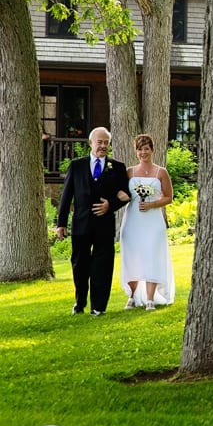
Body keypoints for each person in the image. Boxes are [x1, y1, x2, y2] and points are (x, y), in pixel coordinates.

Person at [56, 127, 131, 316]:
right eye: (100, 142)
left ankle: (99, 307)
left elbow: (126, 195)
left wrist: (110, 205)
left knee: (102, 267)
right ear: (91, 143)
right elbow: (66, 197)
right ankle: (79, 303)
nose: (103, 146)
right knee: (80, 266)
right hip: (81, 225)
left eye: (106, 142)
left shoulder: (118, 167)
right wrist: (61, 224)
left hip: (104, 226)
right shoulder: (77, 166)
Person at [119, 134, 175, 311]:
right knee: (132, 256)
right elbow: (120, 192)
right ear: (136, 152)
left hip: (152, 220)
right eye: (140, 149)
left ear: (152, 150)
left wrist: (152, 204)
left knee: (152, 255)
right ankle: (133, 295)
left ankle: (150, 298)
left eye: (146, 148)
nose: (143, 152)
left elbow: (168, 197)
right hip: (133, 220)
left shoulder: (161, 172)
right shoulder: (129, 172)